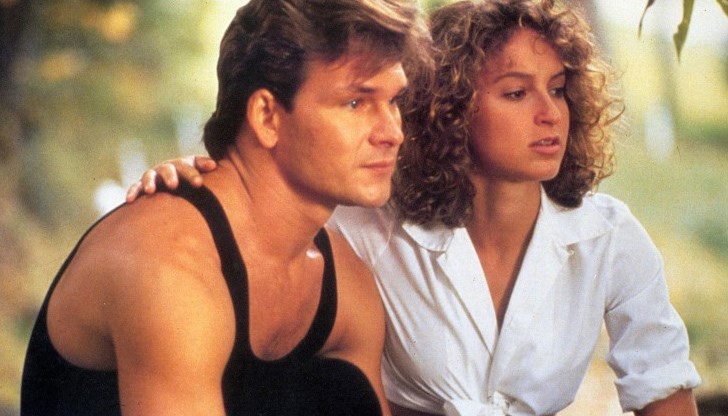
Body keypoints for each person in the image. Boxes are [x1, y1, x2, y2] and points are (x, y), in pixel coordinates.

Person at [127, 0, 702, 415]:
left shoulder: (608, 236)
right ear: (450, 107)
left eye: (557, 88)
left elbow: (665, 391)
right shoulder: (367, 228)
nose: (550, 113)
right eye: (516, 92)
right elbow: (272, 197)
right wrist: (193, 176)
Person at [20, 0, 432, 415]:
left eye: (394, 101)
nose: (392, 133)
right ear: (266, 116)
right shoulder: (170, 265)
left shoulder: (347, 282)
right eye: (356, 103)